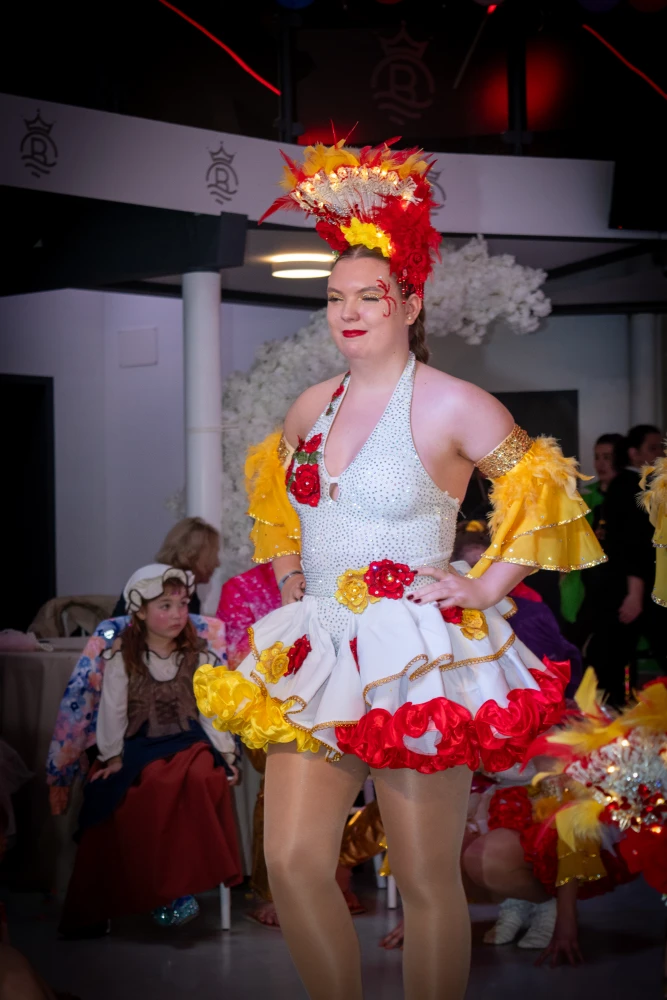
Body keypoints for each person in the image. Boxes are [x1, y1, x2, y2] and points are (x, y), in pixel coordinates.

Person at [193, 137, 605, 1000]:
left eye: (368, 297)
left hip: (413, 657)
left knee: (424, 878)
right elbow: (275, 498)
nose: (347, 313)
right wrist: (288, 573)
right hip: (319, 650)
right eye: (334, 298)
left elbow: (544, 493)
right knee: (290, 860)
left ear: (408, 303)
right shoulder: (311, 406)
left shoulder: (454, 403)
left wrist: (483, 583)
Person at [59, 566, 242, 937]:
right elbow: (113, 711)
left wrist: (227, 755)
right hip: (141, 744)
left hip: (189, 740)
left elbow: (210, 712)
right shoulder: (123, 658)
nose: (177, 614)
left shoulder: (199, 656)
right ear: (140, 611)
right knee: (150, 785)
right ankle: (164, 890)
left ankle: (182, 882)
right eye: (165, 606)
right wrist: (113, 757)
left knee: (201, 776)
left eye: (183, 604)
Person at [585, 425, 665, 706]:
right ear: (634, 453)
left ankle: (617, 711)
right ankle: (614, 714)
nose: (661, 453)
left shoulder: (638, 485)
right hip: (627, 587)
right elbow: (632, 545)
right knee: (612, 655)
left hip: (636, 585)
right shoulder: (629, 486)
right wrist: (635, 592)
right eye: (653, 448)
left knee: (614, 654)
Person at [560, 433, 624, 629]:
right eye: (597, 457)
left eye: (607, 457)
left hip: (620, 577)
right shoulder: (585, 497)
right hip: (586, 578)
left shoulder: (632, 496)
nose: (600, 464)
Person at [111, 517, 220, 616]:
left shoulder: (187, 588)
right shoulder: (159, 583)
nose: (217, 563)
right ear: (194, 556)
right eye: (213, 555)